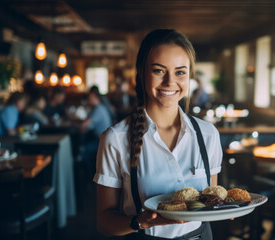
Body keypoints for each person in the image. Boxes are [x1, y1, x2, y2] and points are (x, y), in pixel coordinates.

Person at [94, 29, 222, 239]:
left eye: (180, 72)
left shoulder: (208, 135)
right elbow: (104, 222)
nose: (170, 82)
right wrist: (140, 221)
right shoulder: (115, 139)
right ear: (141, 72)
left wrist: (227, 207)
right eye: (159, 71)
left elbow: (210, 201)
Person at [79, 89, 113, 174]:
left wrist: (81, 128)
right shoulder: (99, 108)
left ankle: (90, 176)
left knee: (82, 150)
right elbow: (89, 126)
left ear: (95, 98)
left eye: (90, 97)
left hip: (103, 142)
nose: (88, 99)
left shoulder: (99, 109)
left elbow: (85, 125)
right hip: (103, 139)